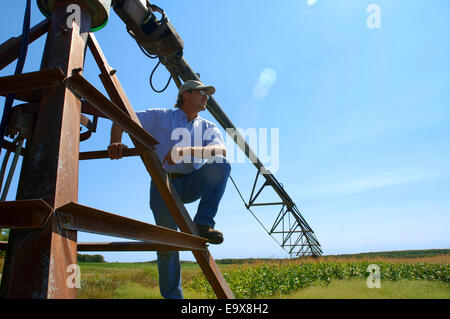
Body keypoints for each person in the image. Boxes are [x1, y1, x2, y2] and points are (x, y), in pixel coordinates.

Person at [107, 80, 231, 299]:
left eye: (207, 94)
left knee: (221, 164)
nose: (206, 97)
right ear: (186, 94)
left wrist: (183, 152)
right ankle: (174, 298)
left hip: (192, 183)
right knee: (167, 245)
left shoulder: (207, 127)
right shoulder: (161, 116)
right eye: (202, 93)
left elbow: (219, 150)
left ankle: (203, 223)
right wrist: (116, 142)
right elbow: (121, 117)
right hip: (163, 183)